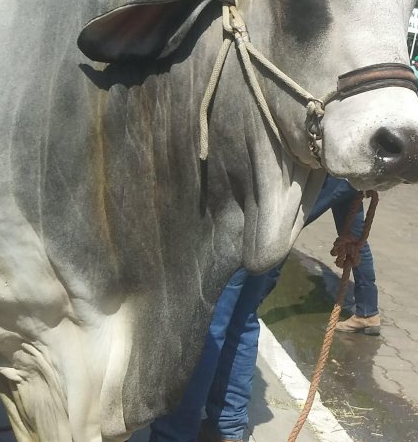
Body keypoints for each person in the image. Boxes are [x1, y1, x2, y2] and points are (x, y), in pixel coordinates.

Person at [151, 177, 379, 441]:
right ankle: (227, 426)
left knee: (205, 322)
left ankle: (176, 434)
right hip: (273, 217)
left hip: (245, 206)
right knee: (241, 317)